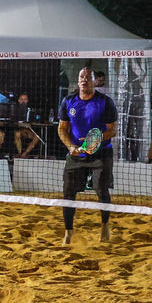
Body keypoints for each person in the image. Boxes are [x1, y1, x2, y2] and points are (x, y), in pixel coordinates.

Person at [57, 67, 118, 245]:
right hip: (76, 153)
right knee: (68, 192)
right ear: (78, 81)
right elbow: (62, 128)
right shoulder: (68, 101)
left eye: (88, 78)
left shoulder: (105, 102)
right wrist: (71, 146)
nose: (84, 80)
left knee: (101, 190)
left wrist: (94, 141)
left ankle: (105, 225)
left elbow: (113, 129)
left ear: (95, 82)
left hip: (101, 153)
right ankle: (68, 232)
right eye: (81, 77)